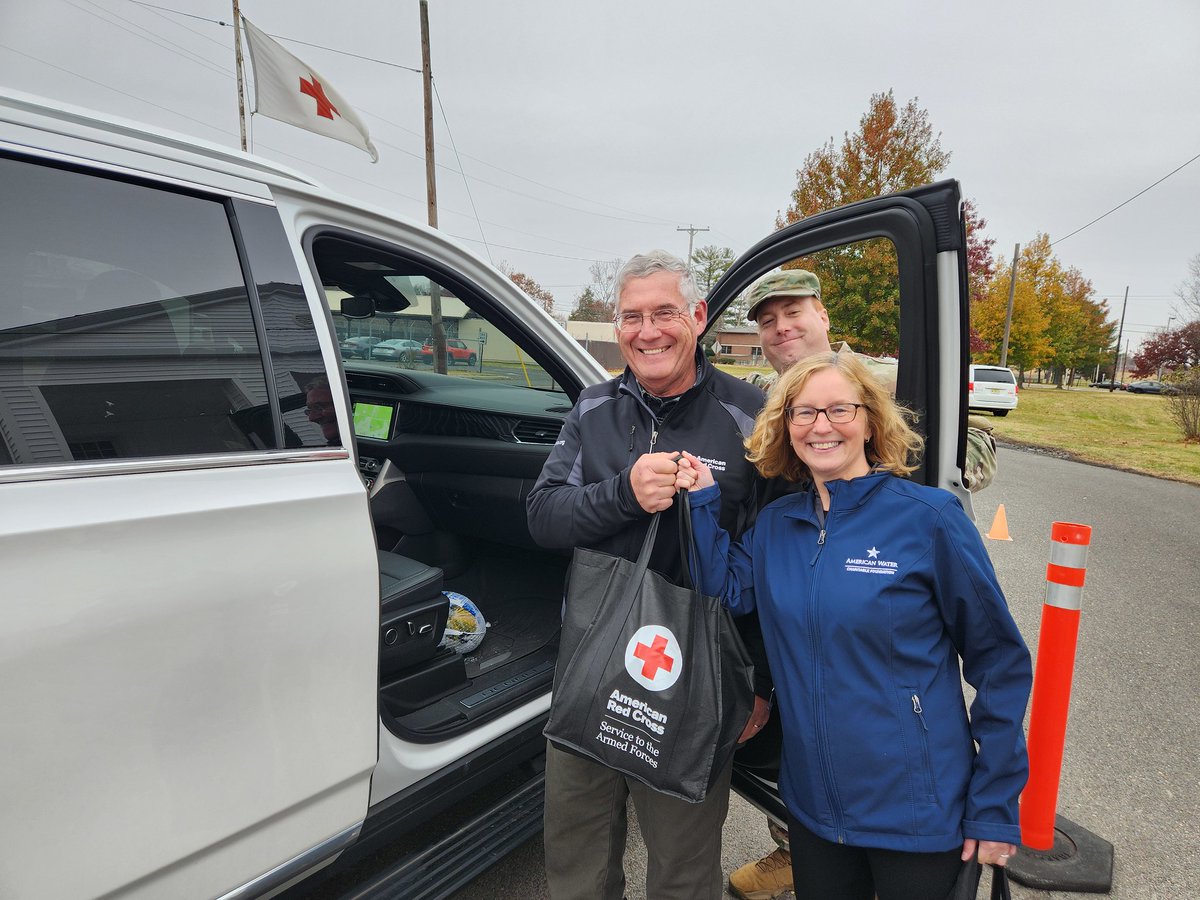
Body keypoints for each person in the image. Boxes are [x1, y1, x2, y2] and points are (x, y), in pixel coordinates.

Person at [675, 351, 1032, 900]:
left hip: (916, 810)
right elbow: (723, 587)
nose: (821, 426)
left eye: (840, 409)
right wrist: (701, 500)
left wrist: (995, 802)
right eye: (803, 412)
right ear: (785, 426)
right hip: (815, 810)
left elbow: (1000, 661)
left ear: (871, 421)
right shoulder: (777, 525)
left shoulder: (929, 519)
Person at [728, 268, 998, 900]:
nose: (781, 328)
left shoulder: (888, 380)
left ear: (823, 314)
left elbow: (969, 452)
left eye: (793, 312)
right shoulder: (756, 402)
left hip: (884, 589)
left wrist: (900, 498)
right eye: (767, 321)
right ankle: (794, 844)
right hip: (796, 603)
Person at [526, 250, 772, 900]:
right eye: (632, 317)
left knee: (684, 872)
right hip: (593, 664)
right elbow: (544, 518)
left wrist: (760, 683)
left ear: (697, 316)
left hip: (695, 681)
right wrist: (624, 495)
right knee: (576, 858)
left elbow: (776, 564)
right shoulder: (594, 407)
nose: (647, 331)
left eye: (664, 312)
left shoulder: (750, 416)